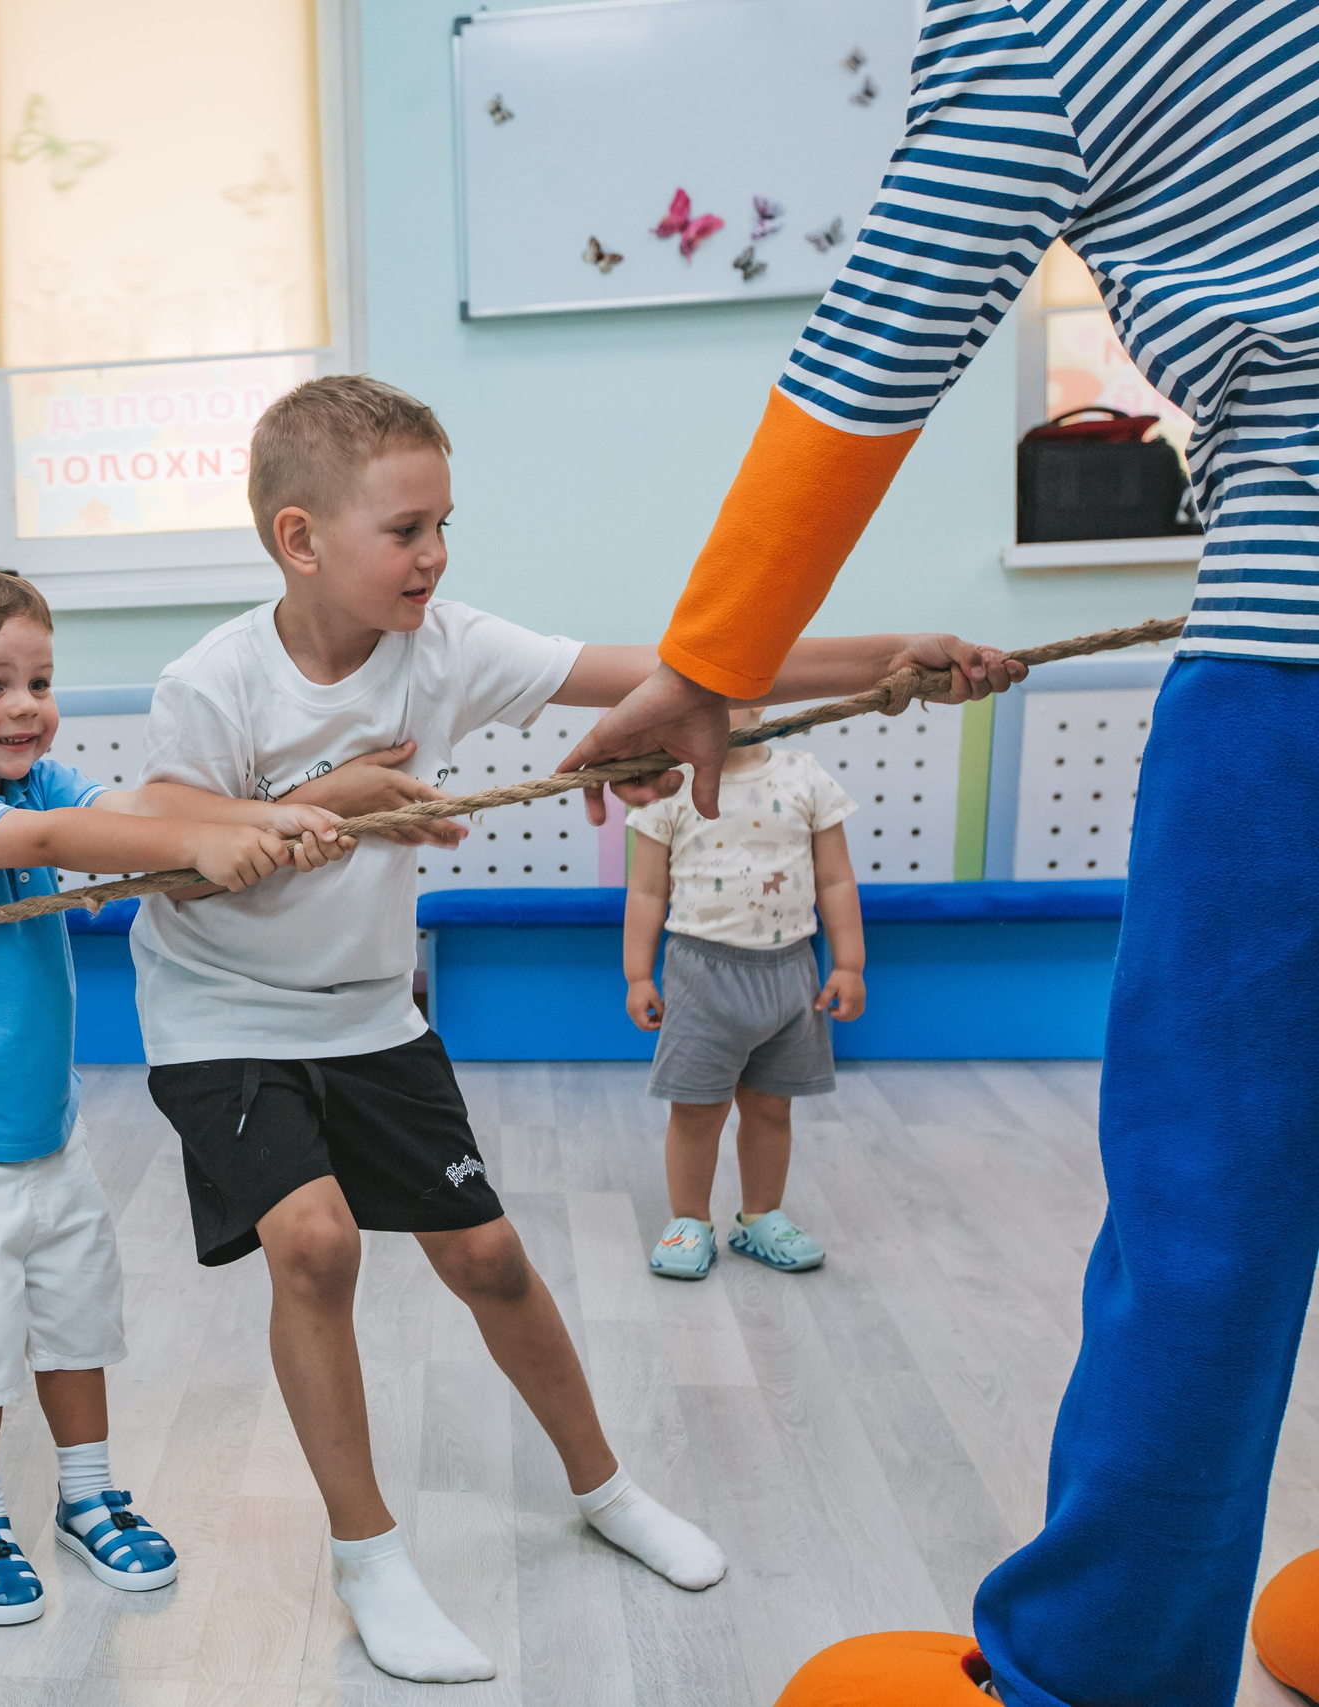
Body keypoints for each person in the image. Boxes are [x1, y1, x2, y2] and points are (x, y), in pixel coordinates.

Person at [557, 7, 1319, 1702]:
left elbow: (881, 334)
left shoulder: (1051, 24)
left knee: (1217, 1202)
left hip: (1300, 654)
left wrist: (713, 655)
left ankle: (1098, 1671)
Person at [131, 374, 1018, 1683]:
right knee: (313, 1246)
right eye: (405, 530)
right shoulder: (210, 683)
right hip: (222, 1012)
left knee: (488, 1257)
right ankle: (371, 1554)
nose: (434, 554)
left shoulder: (450, 647)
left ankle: (604, 1487)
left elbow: (687, 667)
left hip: (372, 1011)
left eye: (445, 524)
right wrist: (333, 794)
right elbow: (165, 866)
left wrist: (900, 657)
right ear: (301, 539)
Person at [0, 562, 348, 1627]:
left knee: (78, 1324)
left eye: (39, 679)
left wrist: (288, 815)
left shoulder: (31, 778)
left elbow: (129, 816)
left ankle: (86, 1496)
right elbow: (58, 845)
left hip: (45, 1133)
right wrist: (203, 837)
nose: (25, 705)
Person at [622, 707, 864, 1280]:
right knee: (696, 1109)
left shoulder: (806, 777)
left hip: (790, 973)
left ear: (765, 692)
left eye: (738, 688)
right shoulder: (669, 784)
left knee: (771, 1107)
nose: (723, 705)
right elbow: (647, 891)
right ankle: (689, 1222)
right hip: (702, 973)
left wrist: (849, 963)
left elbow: (835, 878)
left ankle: (760, 1217)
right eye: (704, 693)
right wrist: (638, 975)